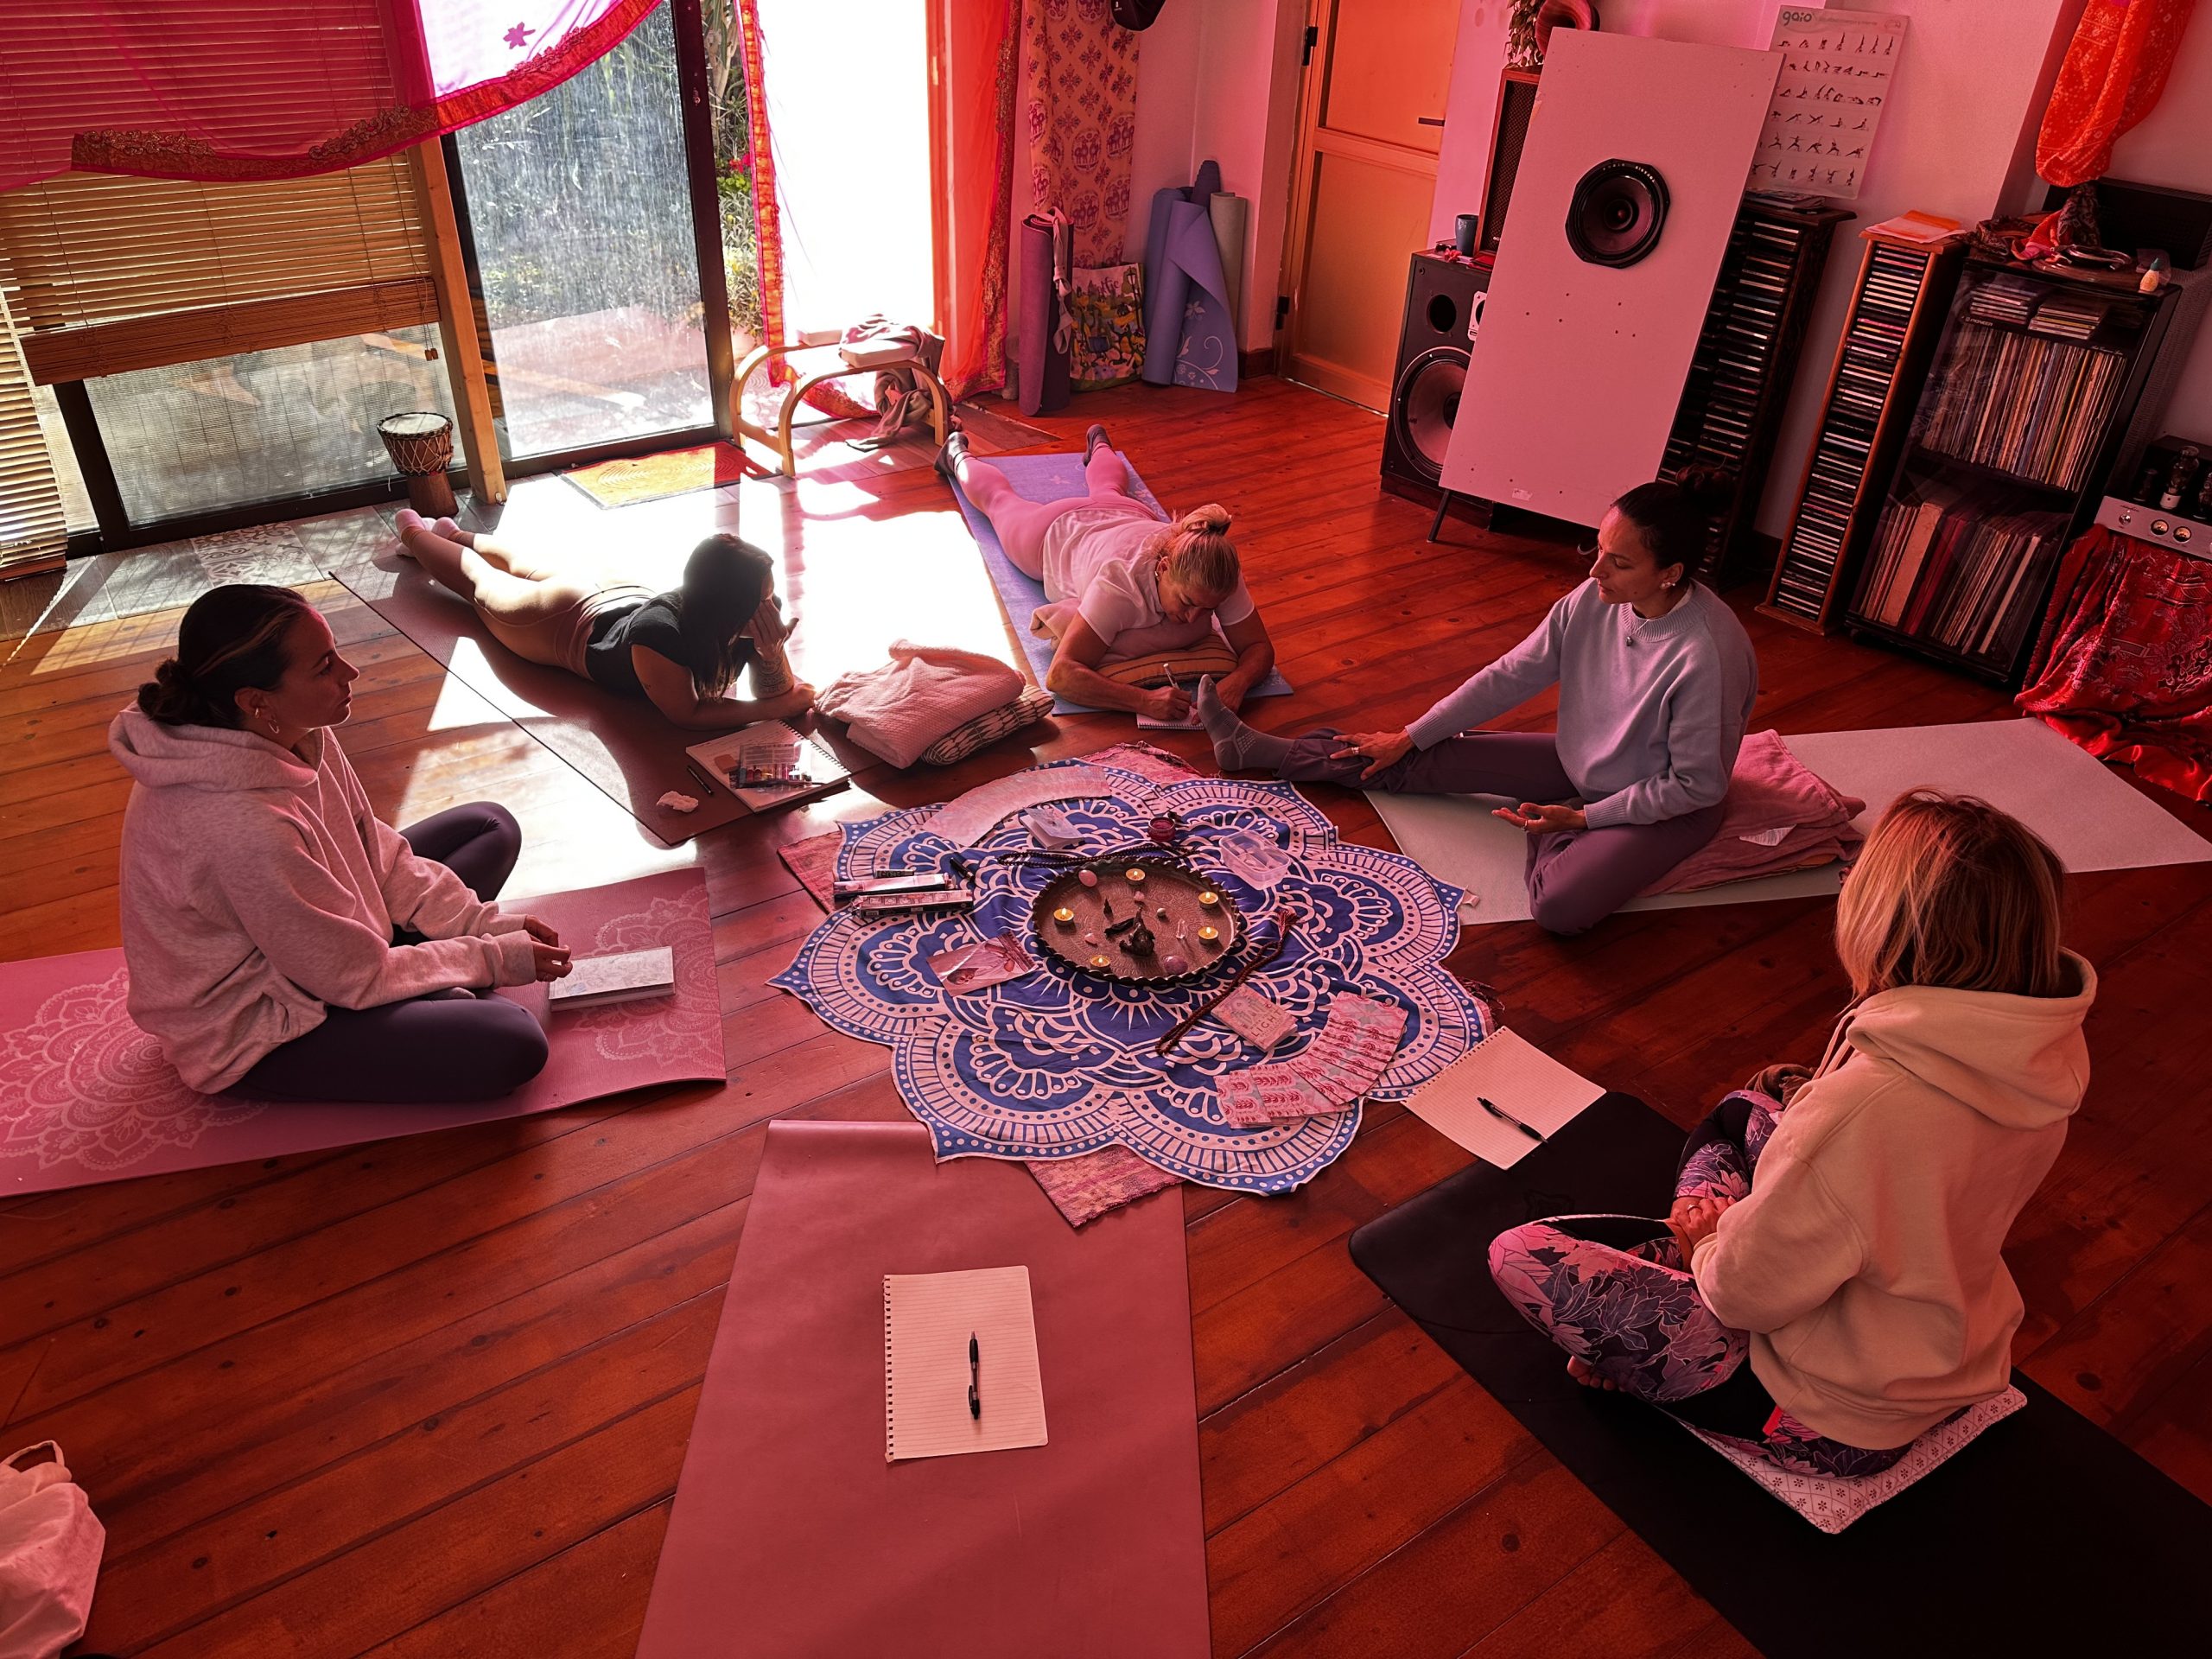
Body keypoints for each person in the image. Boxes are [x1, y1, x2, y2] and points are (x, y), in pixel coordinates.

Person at [1486, 791, 2094, 1476]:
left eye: (1851, 881)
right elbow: (1905, 1177)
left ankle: (1660, 1296)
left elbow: (1745, 1297)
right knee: (1746, 1110)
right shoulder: (2045, 1049)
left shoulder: (1861, 1113)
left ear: (1886, 923)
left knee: (1522, 1253)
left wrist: (1710, 1240)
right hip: (1938, 1351)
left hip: (1830, 1414)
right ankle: (1674, 1269)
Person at [1195, 480, 1756, 934]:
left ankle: (1553, 829)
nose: (1595, 572)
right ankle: (1262, 749)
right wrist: (1411, 734)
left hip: (1665, 805)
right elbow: (1512, 675)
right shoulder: (1594, 600)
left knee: (1559, 909)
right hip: (1581, 762)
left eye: (1620, 563)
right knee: (1417, 756)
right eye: (1598, 549)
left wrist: (1583, 819)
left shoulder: (1707, 653)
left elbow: (1697, 785)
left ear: (1671, 574)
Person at [111, 585, 575, 1103]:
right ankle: (420, 984)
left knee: (490, 827)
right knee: (512, 1041)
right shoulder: (239, 824)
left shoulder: (293, 728)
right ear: (256, 701)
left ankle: (422, 979)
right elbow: (353, 975)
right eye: (323, 666)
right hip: (267, 1015)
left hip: (323, 943)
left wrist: (486, 926)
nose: (349, 673)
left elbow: (377, 852)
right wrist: (491, 959)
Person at [943, 423, 1275, 720]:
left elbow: (1259, 647)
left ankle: (1099, 443)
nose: (1196, 618)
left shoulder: (1217, 569)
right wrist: (1143, 701)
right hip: (1054, 532)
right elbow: (1060, 675)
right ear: (1163, 568)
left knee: (1110, 491)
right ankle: (956, 454)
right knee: (999, 501)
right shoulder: (1119, 585)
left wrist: (1237, 683)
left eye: (1208, 608)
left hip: (1124, 512)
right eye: (1187, 602)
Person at [394, 512, 814, 732]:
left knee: (525, 562)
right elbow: (686, 714)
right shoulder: (659, 636)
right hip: (559, 621)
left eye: (768, 594)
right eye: (758, 599)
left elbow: (778, 687)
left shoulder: (748, 608)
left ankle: (454, 535)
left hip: (619, 592)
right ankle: (414, 534)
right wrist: (775, 707)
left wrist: (771, 652)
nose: (768, 607)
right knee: (479, 581)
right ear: (726, 603)